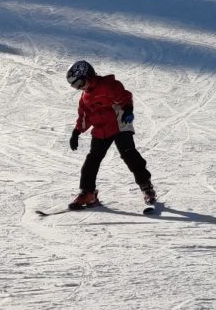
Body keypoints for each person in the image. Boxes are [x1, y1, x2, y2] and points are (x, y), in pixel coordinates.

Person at [64, 61, 157, 211]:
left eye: (80, 83)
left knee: (129, 154)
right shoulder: (85, 98)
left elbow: (125, 97)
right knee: (92, 159)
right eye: (75, 86)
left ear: (88, 75)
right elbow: (84, 117)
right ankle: (88, 193)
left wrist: (128, 109)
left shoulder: (108, 85)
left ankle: (146, 187)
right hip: (101, 129)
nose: (80, 88)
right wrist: (76, 132)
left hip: (120, 123)